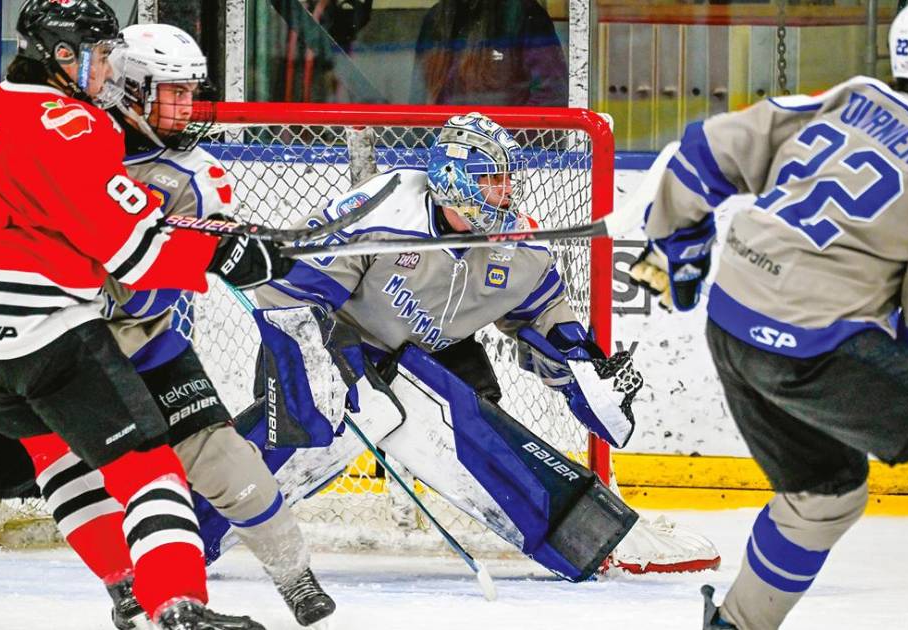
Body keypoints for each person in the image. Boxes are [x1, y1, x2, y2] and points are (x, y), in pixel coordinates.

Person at [629, 1, 908, 628]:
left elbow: (707, 147)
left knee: (823, 497)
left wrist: (677, 239)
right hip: (812, 348)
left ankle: (736, 623)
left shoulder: (849, 96)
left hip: (733, 320)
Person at [0, 22, 334, 630]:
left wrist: (234, 253)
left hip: (89, 339)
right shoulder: (78, 127)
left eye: (190, 92)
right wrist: (217, 256)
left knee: (210, 460)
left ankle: (295, 578)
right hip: (57, 335)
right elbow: (135, 249)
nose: (185, 108)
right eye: (170, 92)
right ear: (124, 83)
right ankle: (164, 601)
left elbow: (151, 271)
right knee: (107, 475)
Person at [222, 111, 647, 582]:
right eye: (492, 179)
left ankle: (576, 535)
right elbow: (288, 289)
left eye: (508, 178)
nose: (508, 191)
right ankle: (190, 526)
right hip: (335, 342)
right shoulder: (383, 212)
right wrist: (316, 365)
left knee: (481, 421)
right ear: (454, 178)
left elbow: (550, 325)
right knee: (299, 444)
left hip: (428, 356)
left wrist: (588, 375)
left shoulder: (522, 249)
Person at [410, 0, 568, 107]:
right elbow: (419, 99)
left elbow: (552, 96)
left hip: (507, 151)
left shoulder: (523, 15)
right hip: (444, 146)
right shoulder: (435, 19)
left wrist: (503, 142)